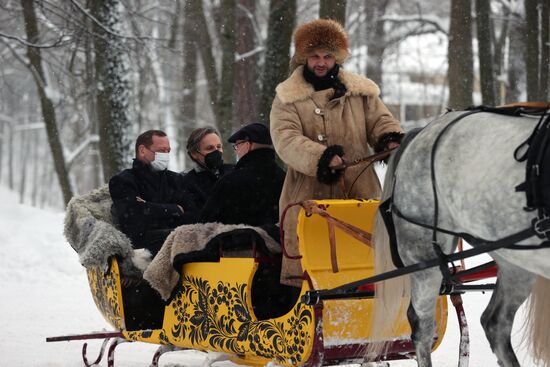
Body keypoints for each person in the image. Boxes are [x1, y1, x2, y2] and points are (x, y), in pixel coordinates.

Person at [270, 19, 404, 287]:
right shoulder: (286, 98)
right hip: (308, 200)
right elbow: (285, 139)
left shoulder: (361, 92)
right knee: (313, 271)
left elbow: (381, 120)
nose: (321, 62)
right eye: (315, 56)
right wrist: (320, 157)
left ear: (337, 58)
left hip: (360, 195)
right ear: (304, 59)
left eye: (328, 56)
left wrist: (389, 139)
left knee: (365, 266)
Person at [109, 130, 197, 256]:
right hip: (143, 248)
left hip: (179, 241)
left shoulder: (176, 179)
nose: (166, 155)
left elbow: (193, 213)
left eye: (168, 151)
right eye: (161, 151)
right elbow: (133, 217)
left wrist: (149, 207)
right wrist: (174, 209)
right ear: (142, 150)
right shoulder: (122, 180)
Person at [199, 123, 285, 227]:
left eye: (237, 146)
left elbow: (206, 223)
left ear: (247, 146)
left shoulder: (230, 181)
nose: (237, 152)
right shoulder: (285, 178)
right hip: (280, 241)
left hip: (240, 241)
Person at [181, 127, 234, 210]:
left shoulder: (234, 171)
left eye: (219, 146)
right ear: (194, 153)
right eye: (209, 148)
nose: (216, 151)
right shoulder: (186, 183)